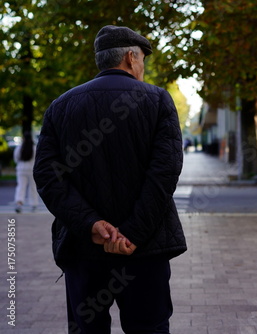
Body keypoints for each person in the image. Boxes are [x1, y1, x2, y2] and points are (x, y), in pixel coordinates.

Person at [33, 25, 187, 334]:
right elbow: (165, 174)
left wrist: (91, 224)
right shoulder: (157, 101)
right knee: (149, 328)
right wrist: (130, 234)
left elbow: (48, 177)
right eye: (142, 58)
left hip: (83, 248)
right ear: (131, 58)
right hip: (144, 252)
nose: (143, 65)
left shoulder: (60, 106)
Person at [13, 132, 38, 213]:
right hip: (32, 170)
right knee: (33, 187)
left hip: (21, 169)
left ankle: (19, 203)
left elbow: (16, 158)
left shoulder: (19, 148)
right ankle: (33, 205)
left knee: (21, 186)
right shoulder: (34, 148)